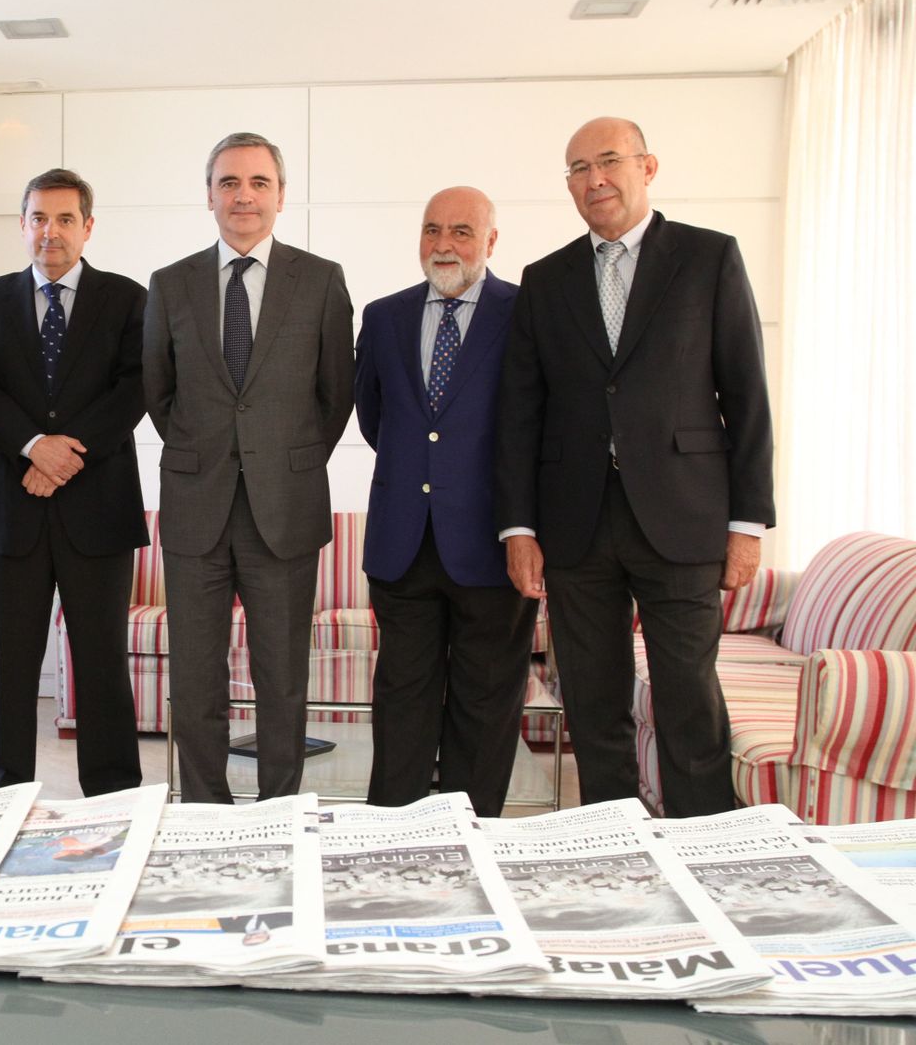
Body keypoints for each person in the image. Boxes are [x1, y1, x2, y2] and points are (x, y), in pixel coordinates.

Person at [495, 117, 775, 817]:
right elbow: (521, 414)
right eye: (578, 168)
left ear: (648, 167)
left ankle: (704, 845)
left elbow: (745, 395)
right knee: (592, 701)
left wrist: (748, 522)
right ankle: (614, 844)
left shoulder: (709, 259)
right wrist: (519, 528)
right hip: (575, 522)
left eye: (610, 161)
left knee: (686, 694)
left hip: (684, 515)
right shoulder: (545, 278)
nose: (595, 179)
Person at [142, 132, 355, 803]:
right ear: (209, 195)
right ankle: (205, 810)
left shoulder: (320, 280)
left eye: (259, 182)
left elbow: (335, 394)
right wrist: (209, 453)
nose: (244, 195)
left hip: (284, 512)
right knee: (197, 680)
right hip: (195, 508)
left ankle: (281, 810)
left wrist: (280, 463)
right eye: (229, 182)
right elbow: (159, 392)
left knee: (282, 681)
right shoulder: (170, 284)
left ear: (281, 196)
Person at [354, 186, 538, 818]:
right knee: (401, 695)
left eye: (462, 231)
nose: (444, 244)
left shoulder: (525, 313)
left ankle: (470, 832)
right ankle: (394, 834)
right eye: (433, 230)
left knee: (486, 700)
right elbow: (376, 420)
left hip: (493, 540)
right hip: (402, 540)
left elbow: (539, 425)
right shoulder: (383, 317)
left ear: (491, 241)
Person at [0, 168, 147, 796]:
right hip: (14, 506)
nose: (51, 231)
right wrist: (34, 449)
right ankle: (5, 792)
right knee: (8, 666)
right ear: (22, 226)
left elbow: (134, 389)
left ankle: (115, 794)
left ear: (88, 227)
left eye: (66, 219)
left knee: (100, 662)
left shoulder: (128, 299)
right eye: (39, 218)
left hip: (97, 507)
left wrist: (67, 456)